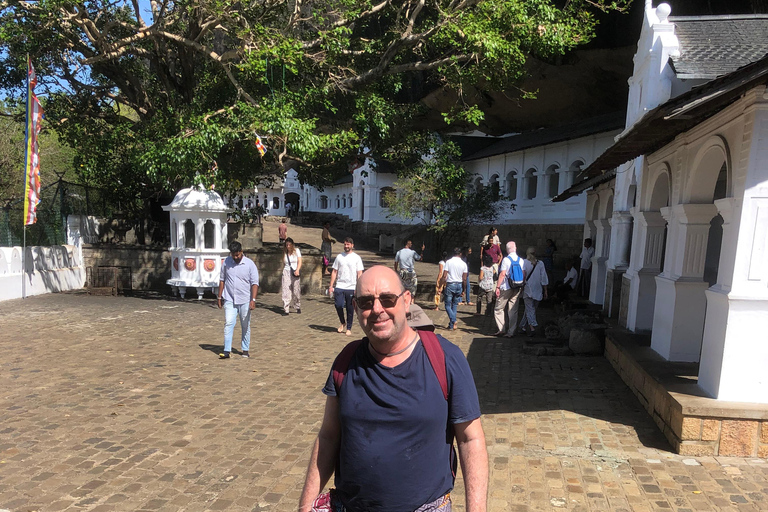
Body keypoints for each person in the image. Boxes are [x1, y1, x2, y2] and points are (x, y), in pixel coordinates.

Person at [298, 266, 488, 512]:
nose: (377, 309)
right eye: (366, 302)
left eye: (387, 299)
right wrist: (305, 506)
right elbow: (328, 436)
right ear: (355, 307)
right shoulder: (346, 362)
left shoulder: (445, 359)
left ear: (407, 300)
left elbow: (470, 439)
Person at [216, 241, 259, 359]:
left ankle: (245, 349)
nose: (235, 257)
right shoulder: (226, 262)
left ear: (241, 252)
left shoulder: (250, 265)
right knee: (229, 323)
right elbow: (222, 279)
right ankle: (226, 350)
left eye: (237, 255)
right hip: (229, 298)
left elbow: (255, 283)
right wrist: (219, 297)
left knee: (245, 324)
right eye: (233, 255)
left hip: (245, 299)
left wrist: (253, 299)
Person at [329, 237, 364, 336]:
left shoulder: (356, 258)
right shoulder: (339, 257)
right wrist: (331, 285)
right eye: (345, 244)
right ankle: (342, 322)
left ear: (352, 245)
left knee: (350, 308)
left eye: (348, 244)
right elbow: (334, 271)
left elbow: (359, 273)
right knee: (338, 305)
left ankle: (349, 327)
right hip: (340, 285)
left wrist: (358, 287)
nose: (346, 246)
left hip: (351, 286)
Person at [493, 241, 525, 337]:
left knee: (499, 309)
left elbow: (502, 274)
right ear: (515, 249)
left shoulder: (506, 260)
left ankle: (502, 329)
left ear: (507, 250)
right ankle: (511, 332)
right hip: (517, 286)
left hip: (506, 287)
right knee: (513, 310)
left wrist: (497, 287)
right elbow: (524, 274)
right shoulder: (521, 260)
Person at [518, 247, 548, 337]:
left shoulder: (524, 262)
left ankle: (530, 327)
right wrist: (545, 290)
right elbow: (544, 278)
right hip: (538, 289)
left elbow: (522, 277)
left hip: (528, 289)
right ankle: (526, 326)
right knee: (531, 309)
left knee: (529, 309)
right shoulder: (540, 263)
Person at [441, 247, 468, 330]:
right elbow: (464, 279)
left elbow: (444, 275)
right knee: (454, 305)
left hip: (450, 284)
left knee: (447, 305)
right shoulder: (464, 264)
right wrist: (464, 289)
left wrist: (441, 285)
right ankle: (451, 325)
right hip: (459, 285)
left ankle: (453, 320)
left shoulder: (448, 262)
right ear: (460, 254)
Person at [281, 237, 302, 315]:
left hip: (295, 271)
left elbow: (300, 261)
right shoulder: (284, 252)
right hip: (286, 271)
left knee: (296, 290)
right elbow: (284, 262)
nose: (288, 246)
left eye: (289, 245)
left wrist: (297, 269)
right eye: (287, 245)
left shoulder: (297, 251)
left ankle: (297, 305)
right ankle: (286, 308)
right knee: (286, 290)